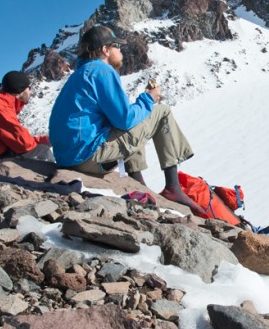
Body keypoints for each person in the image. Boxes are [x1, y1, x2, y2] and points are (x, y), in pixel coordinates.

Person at [48, 25, 206, 216]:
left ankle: (138, 183)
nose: (120, 50)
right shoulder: (102, 71)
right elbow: (124, 119)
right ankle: (173, 187)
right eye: (116, 46)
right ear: (105, 50)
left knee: (137, 121)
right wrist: (149, 98)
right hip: (87, 157)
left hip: (69, 158)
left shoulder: (81, 74)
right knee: (161, 112)